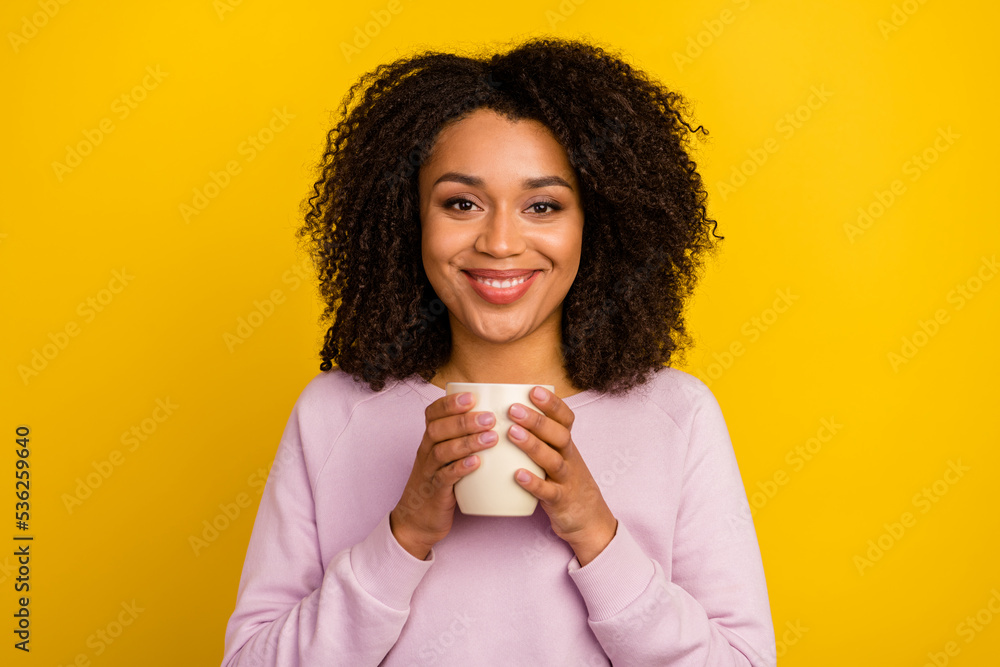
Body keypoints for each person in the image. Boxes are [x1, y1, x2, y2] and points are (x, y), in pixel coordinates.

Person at [221, 36, 775, 666]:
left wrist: (596, 533)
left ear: (598, 224)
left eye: (543, 205)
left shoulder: (678, 415)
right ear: (410, 221)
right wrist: (403, 536)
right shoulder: (332, 414)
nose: (501, 241)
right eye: (462, 202)